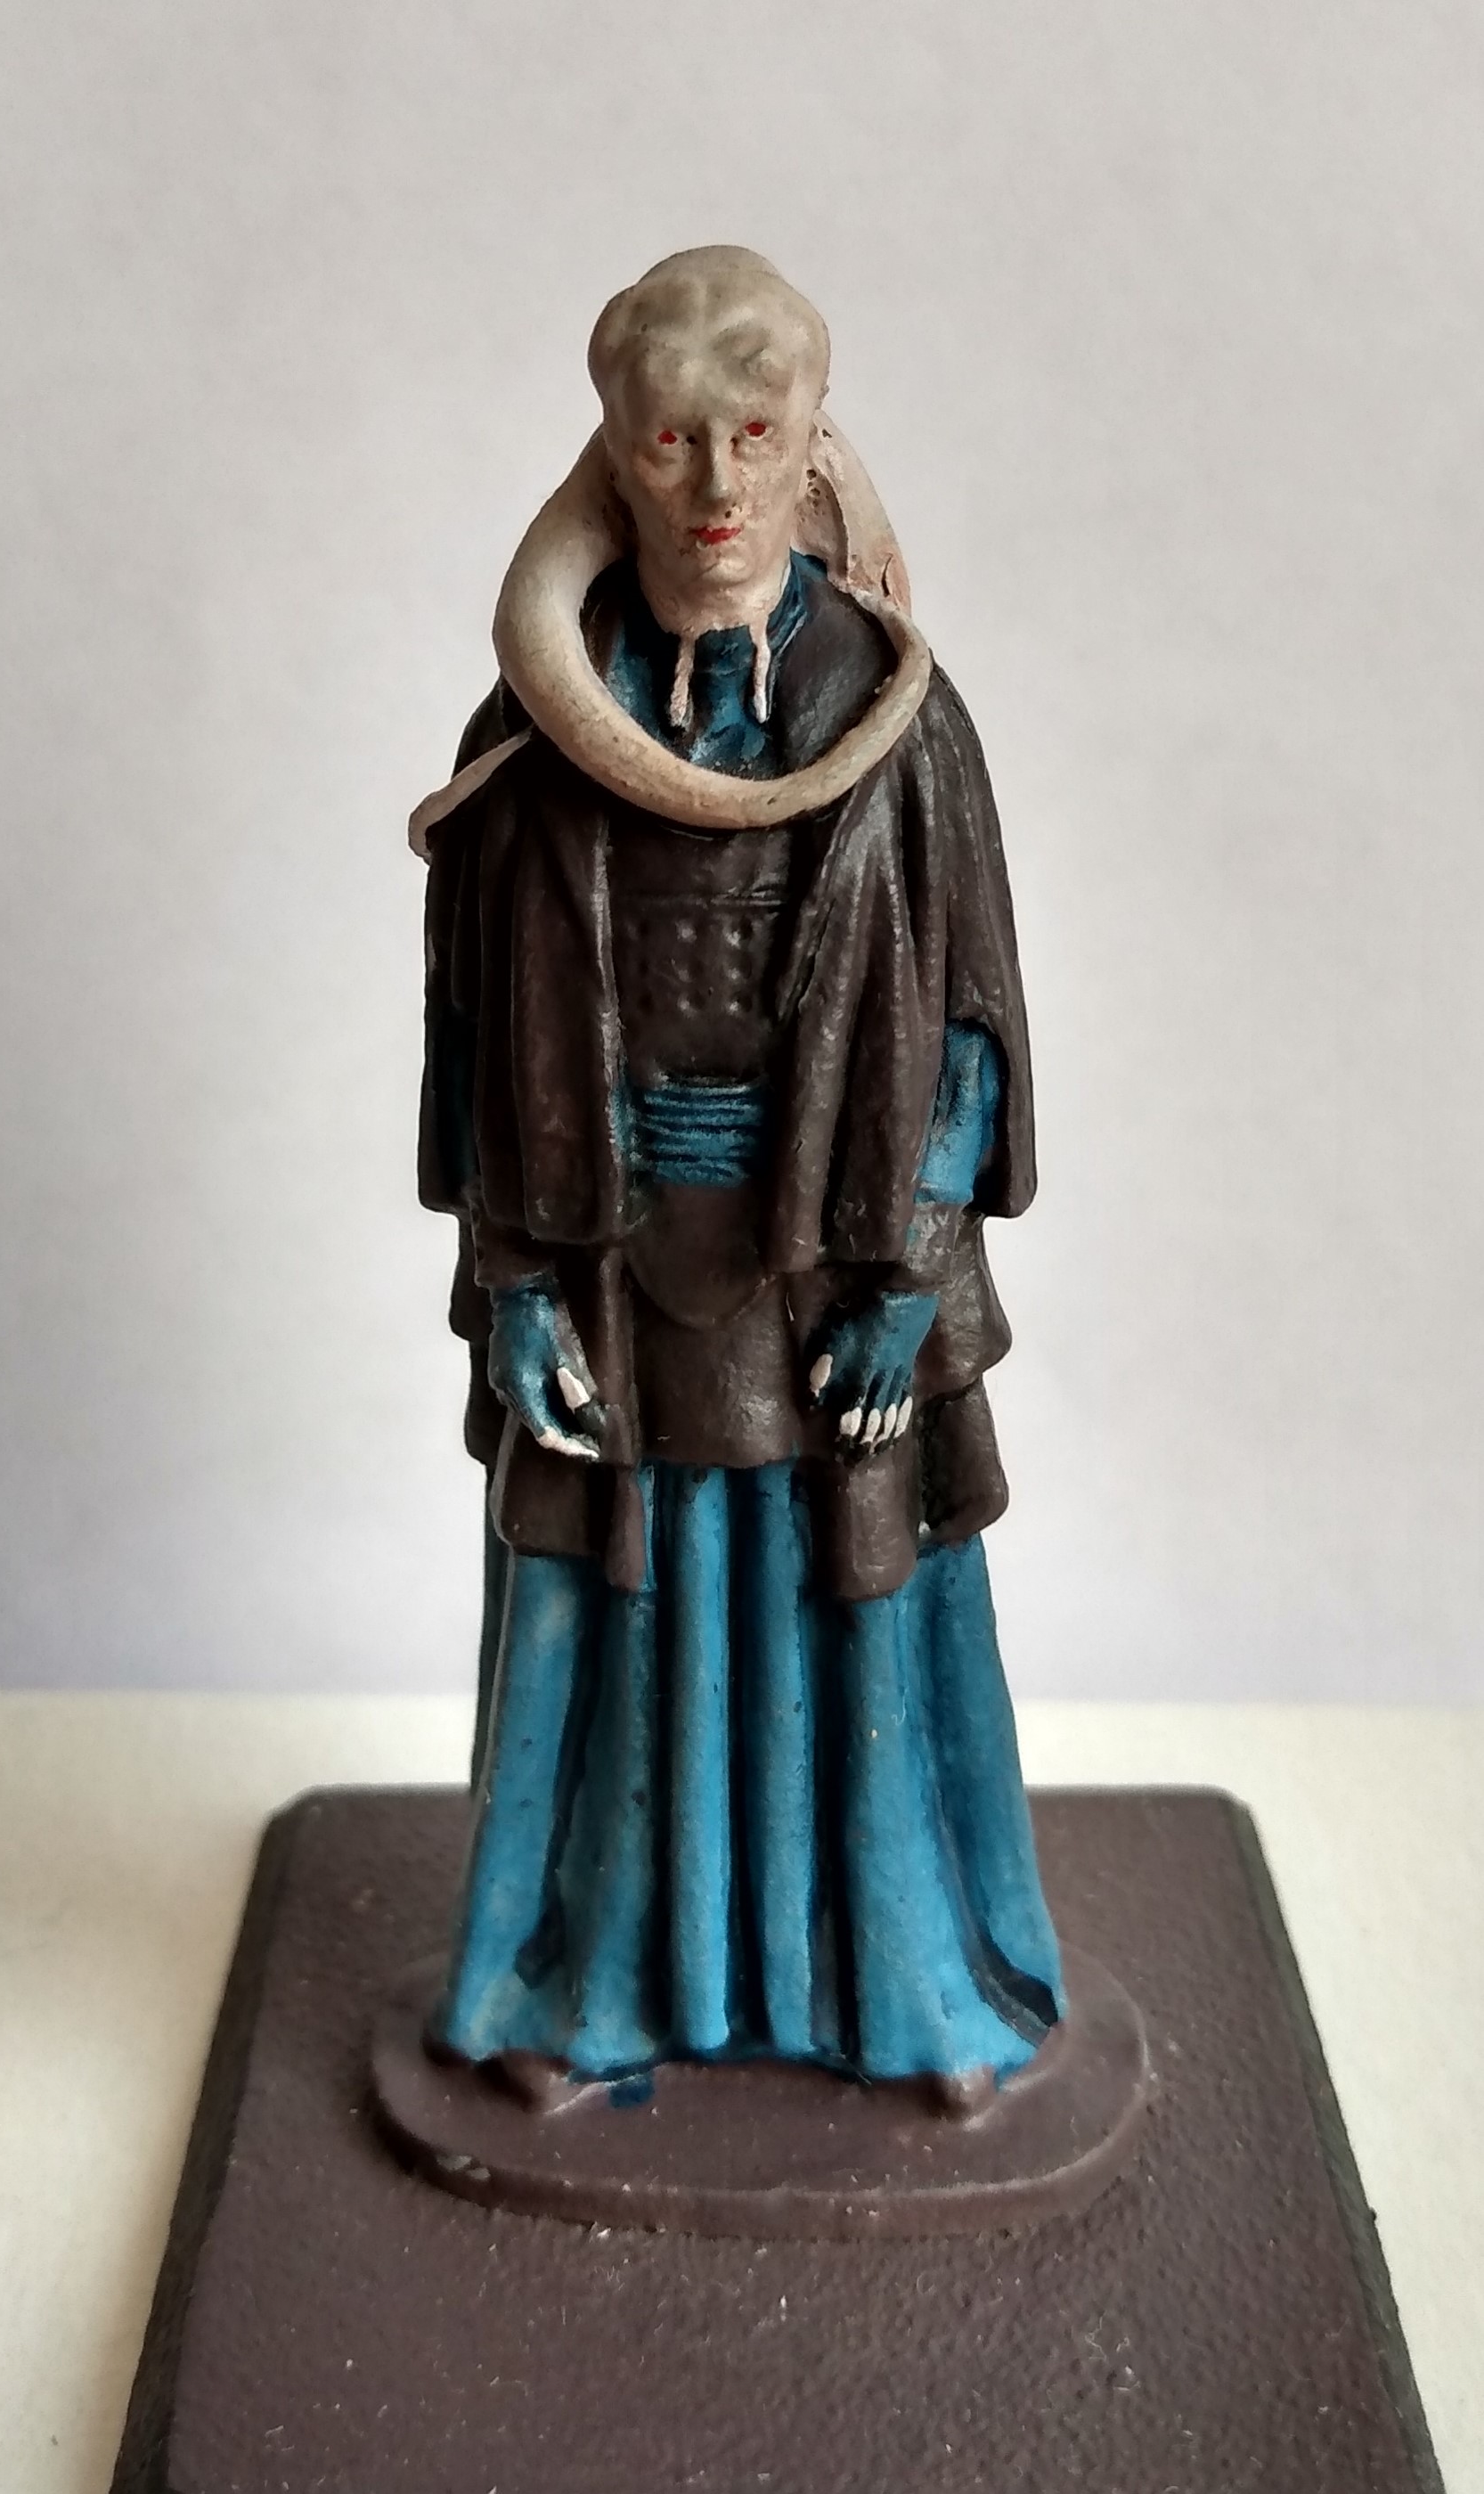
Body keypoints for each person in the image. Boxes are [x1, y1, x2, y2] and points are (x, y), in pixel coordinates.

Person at [414, 246, 1064, 2114]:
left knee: (854, 1615)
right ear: (614, 453)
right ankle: (593, 1989)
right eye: (671, 441)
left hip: (835, 1269)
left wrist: (908, 1275)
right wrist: (514, 1281)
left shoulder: (903, 734)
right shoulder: (530, 746)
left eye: (755, 438)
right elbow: (477, 1039)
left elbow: (969, 1032)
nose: (714, 488)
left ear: (810, 447)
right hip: (611, 1268)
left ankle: (906, 1990)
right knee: (610, 1616)